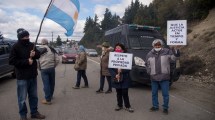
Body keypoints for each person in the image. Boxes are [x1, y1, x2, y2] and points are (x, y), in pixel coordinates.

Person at [9, 28, 45, 120]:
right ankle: (23, 115)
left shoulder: (31, 45)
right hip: (22, 77)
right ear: (20, 37)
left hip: (32, 75)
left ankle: (34, 112)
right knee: (22, 99)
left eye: (28, 36)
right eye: (25, 36)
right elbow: (12, 61)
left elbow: (38, 55)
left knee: (34, 96)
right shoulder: (15, 47)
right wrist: (26, 62)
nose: (27, 38)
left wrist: (35, 54)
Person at [145, 39, 180, 115]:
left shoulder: (167, 51)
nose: (157, 46)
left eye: (159, 45)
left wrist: (176, 49)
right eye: (156, 45)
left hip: (164, 77)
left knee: (165, 94)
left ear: (161, 45)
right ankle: (155, 106)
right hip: (153, 78)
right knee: (154, 93)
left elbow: (175, 58)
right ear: (153, 45)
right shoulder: (149, 54)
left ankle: (165, 108)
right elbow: (147, 64)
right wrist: (149, 71)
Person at [109, 43, 134, 113]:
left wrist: (122, 70)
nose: (117, 49)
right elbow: (110, 68)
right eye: (116, 48)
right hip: (117, 77)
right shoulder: (112, 56)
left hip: (125, 78)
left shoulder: (127, 56)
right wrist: (115, 75)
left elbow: (129, 68)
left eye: (119, 48)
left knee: (125, 92)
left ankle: (128, 106)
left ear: (122, 49)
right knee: (118, 92)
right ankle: (119, 105)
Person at [38, 38, 59, 105]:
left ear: (41, 43)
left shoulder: (38, 49)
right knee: (52, 83)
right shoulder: (52, 49)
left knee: (46, 84)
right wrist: (54, 65)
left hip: (43, 69)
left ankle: (47, 99)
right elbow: (57, 59)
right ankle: (51, 96)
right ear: (47, 43)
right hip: (51, 68)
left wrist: (39, 68)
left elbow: (37, 61)